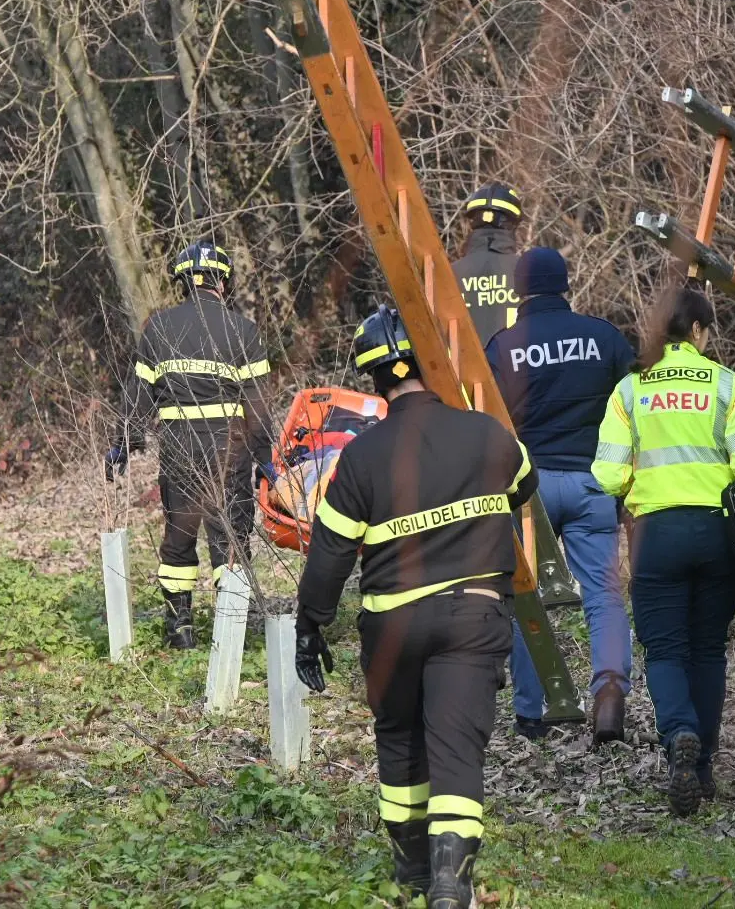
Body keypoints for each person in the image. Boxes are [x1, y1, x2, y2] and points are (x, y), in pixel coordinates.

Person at [294, 305, 537, 908]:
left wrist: (310, 626)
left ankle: (412, 876)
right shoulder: (486, 433)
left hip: (392, 626)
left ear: (373, 380)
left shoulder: (361, 459)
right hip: (472, 619)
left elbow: (328, 556)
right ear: (436, 362)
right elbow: (525, 487)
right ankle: (452, 888)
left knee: (400, 742)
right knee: (457, 749)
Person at [591, 285, 735, 816]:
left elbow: (607, 473)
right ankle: (705, 766)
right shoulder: (727, 385)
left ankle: (679, 738)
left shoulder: (629, 390)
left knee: (664, 649)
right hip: (716, 534)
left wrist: (633, 491)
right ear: (696, 331)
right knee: (709, 648)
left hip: (655, 536)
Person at [486, 247, 637, 744]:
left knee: (527, 597)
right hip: (594, 482)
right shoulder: (605, 338)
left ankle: (532, 714)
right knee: (604, 594)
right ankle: (610, 689)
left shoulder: (503, 346)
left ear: (518, 290)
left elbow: (486, 421)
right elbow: (632, 409)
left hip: (530, 491)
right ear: (566, 284)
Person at [109, 239, 274, 649]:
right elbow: (258, 406)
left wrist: (123, 444)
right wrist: (264, 458)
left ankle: (180, 628)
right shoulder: (244, 330)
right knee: (230, 535)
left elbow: (138, 396)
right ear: (223, 281)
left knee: (179, 536)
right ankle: (231, 630)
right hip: (228, 449)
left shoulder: (159, 328)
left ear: (183, 281)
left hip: (180, 448)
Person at [451, 182, 524, 345]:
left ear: (472, 223)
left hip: (460, 369)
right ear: (513, 225)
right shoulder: (527, 272)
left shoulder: (449, 275)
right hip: (514, 367)